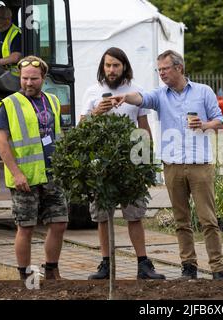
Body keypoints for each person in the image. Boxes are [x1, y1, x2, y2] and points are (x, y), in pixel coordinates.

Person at [109, 50, 223, 280]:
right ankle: (188, 267)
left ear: (179, 68)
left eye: (165, 69)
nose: (161, 73)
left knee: (208, 220)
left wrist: (204, 125)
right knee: (181, 221)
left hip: (199, 165)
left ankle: (218, 269)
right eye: (159, 70)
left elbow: (220, 120)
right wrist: (125, 97)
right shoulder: (160, 95)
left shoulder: (204, 92)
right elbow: (142, 98)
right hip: (172, 165)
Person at [81, 47, 165, 280]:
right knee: (102, 216)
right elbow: (81, 129)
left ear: (124, 67)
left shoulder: (136, 92)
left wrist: (147, 161)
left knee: (135, 215)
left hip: (130, 164)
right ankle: (106, 264)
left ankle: (143, 265)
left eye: (116, 65)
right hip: (101, 165)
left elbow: (143, 127)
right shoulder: (92, 92)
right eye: (108, 65)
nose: (111, 70)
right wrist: (96, 112)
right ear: (102, 67)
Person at [0, 56, 68, 280]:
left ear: (43, 78)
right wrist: (16, 173)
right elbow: (1, 141)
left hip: (52, 173)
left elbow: (58, 135)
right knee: (26, 227)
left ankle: (52, 269)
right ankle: (25, 275)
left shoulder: (53, 101)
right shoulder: (9, 104)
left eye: (33, 79)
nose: (28, 83)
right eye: (24, 78)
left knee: (59, 223)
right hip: (24, 177)